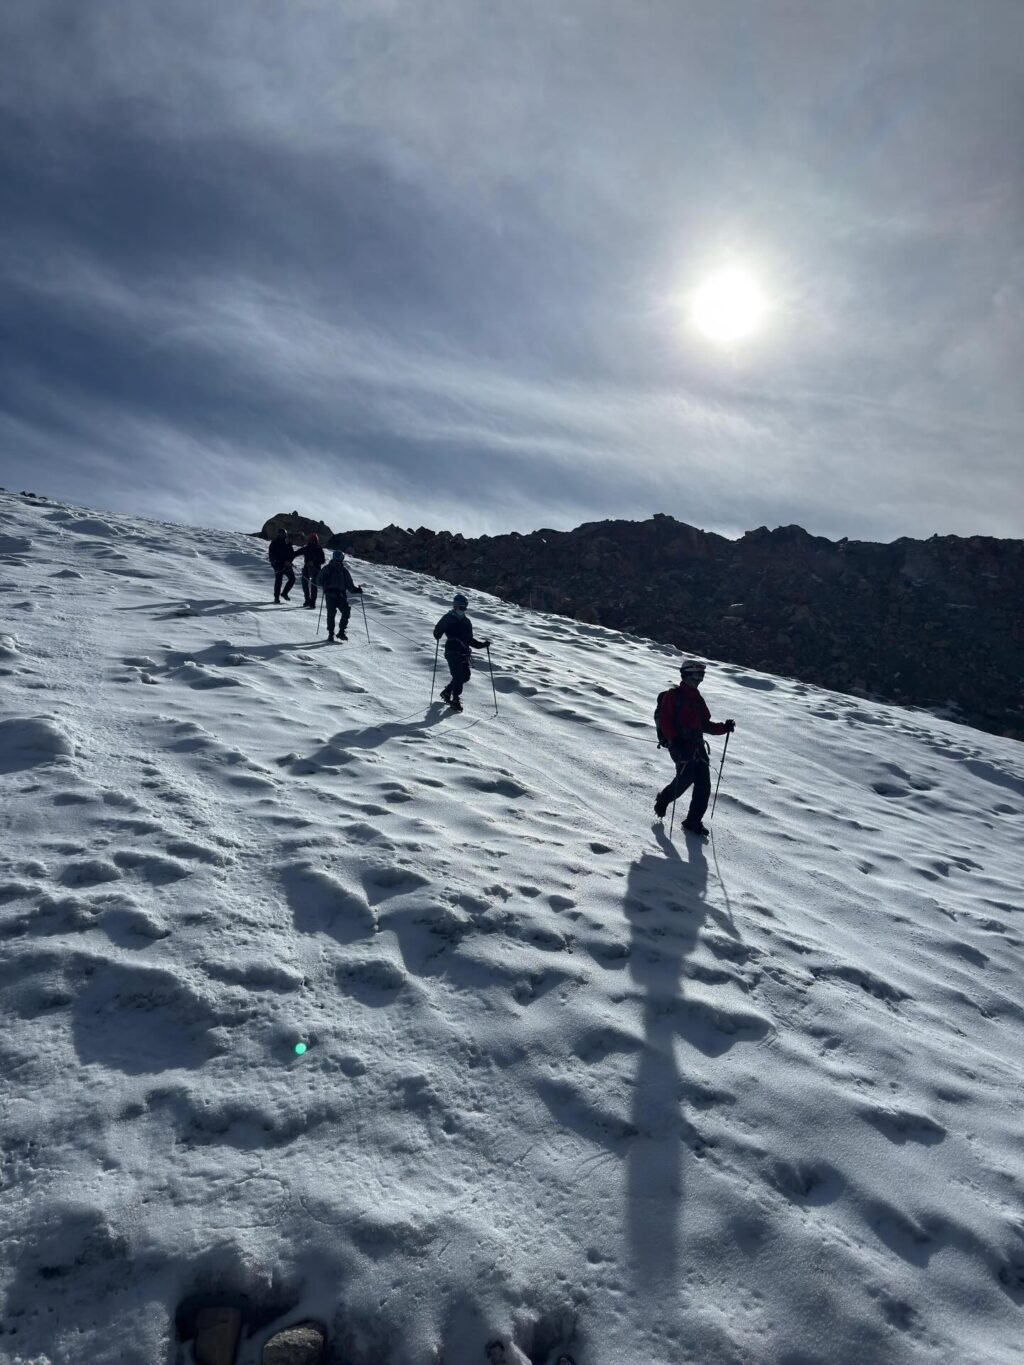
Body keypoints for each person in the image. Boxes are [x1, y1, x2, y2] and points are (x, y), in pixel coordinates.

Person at [653, 660, 735, 836]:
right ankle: (663, 800)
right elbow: (666, 721)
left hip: (697, 746)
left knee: (704, 785)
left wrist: (724, 728)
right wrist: (675, 741)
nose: (699, 680)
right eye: (696, 676)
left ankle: (693, 821)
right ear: (685, 676)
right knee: (685, 779)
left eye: (701, 676)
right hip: (680, 746)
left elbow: (705, 724)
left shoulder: (697, 699)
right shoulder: (672, 696)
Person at [433, 593, 489, 712]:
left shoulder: (466, 622)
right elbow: (437, 631)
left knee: (465, 676)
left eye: (464, 608)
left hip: (463, 652)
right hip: (452, 650)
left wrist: (482, 645)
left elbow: (469, 639)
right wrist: (438, 634)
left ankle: (447, 692)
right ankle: (455, 699)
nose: (462, 610)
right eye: (461, 607)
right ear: (455, 606)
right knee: (458, 676)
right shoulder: (448, 618)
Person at [317, 549, 363, 642]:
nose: (340, 560)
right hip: (332, 595)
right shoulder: (329, 569)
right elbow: (319, 581)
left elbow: (349, 585)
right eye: (340, 558)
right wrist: (356, 590)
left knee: (342, 613)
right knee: (334, 614)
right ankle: (333, 633)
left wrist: (356, 590)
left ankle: (338, 632)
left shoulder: (342, 570)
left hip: (339, 595)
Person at [296, 532, 326, 609]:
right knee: (305, 584)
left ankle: (311, 602)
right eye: (311, 540)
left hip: (316, 569)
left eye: (314, 540)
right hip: (308, 568)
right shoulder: (308, 548)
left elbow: (323, 560)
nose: (312, 541)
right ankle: (308, 601)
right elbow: (296, 553)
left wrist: (314, 562)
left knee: (313, 586)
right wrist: (288, 558)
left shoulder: (318, 548)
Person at [268, 528, 297, 603]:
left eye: (283, 534)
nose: (282, 535)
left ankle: (284, 593)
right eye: (281, 534)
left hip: (286, 565)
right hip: (278, 566)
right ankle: (276, 598)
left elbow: (292, 555)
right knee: (278, 581)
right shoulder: (274, 543)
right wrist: (280, 562)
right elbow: (272, 556)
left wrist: (289, 562)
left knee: (292, 579)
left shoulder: (287, 543)